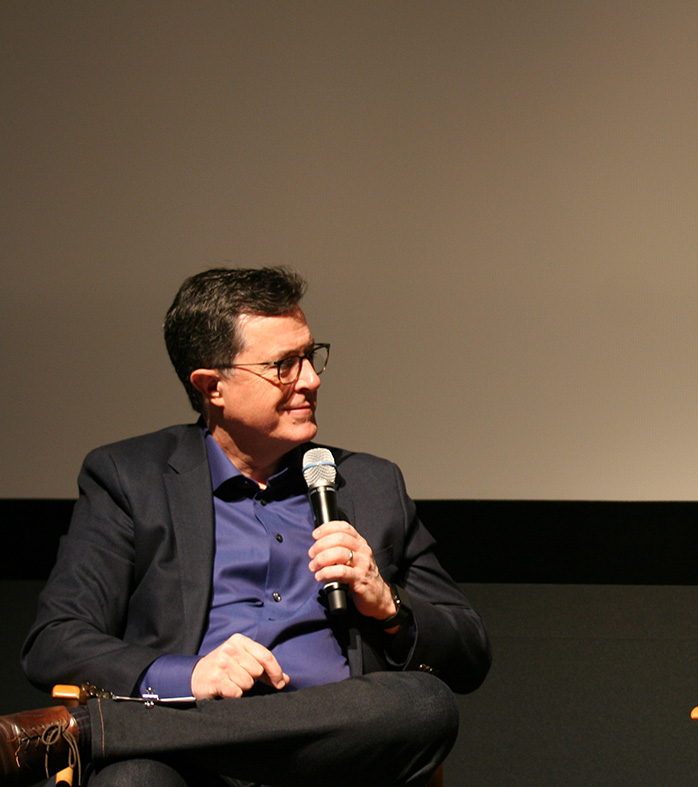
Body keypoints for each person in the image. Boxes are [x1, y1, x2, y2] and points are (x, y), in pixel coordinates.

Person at [0, 267, 491, 787]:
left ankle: (99, 732)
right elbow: (56, 640)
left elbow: (470, 653)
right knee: (133, 781)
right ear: (212, 387)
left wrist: (389, 605)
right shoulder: (130, 478)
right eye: (283, 365)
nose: (311, 379)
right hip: (186, 770)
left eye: (310, 355)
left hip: (335, 754)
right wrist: (188, 674)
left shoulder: (368, 483)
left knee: (424, 706)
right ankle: (143, 741)